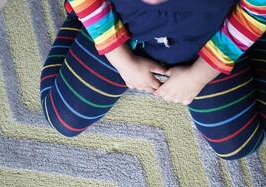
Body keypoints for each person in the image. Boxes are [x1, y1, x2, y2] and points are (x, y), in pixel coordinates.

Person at [40, 0, 266, 160]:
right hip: (119, 25)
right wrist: (121, 60)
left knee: (238, 145)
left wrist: (199, 75)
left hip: (211, 38)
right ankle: (83, 18)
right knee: (63, 119)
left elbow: (257, 10)